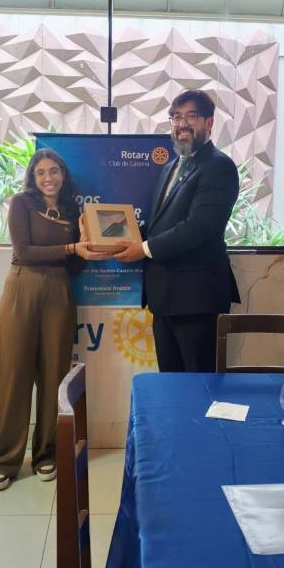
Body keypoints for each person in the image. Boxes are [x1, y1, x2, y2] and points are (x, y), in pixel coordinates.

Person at [0, 148, 108, 491]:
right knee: (14, 374)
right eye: (40, 172)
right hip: (21, 288)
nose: (48, 178)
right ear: (32, 177)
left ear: (63, 174)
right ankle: (4, 461)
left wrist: (86, 242)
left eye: (54, 171)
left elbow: (75, 267)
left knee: (54, 376)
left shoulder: (72, 211)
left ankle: (46, 454)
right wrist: (71, 248)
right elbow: (23, 251)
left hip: (59, 291)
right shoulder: (21, 204)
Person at [115, 89, 240, 372]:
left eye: (191, 116)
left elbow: (199, 227)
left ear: (209, 122)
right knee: (171, 384)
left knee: (198, 383)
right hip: (165, 299)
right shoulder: (171, 166)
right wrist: (116, 235)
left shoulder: (218, 166)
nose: (181, 124)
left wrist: (143, 248)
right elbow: (159, 223)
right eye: (176, 117)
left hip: (196, 300)